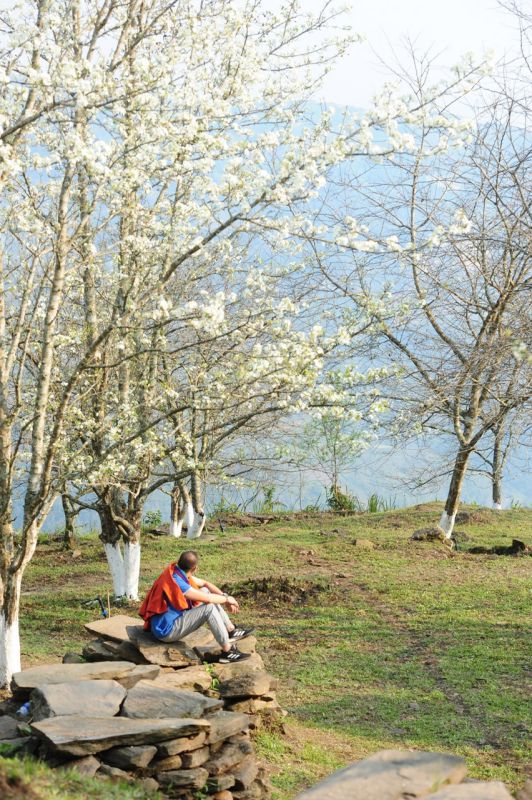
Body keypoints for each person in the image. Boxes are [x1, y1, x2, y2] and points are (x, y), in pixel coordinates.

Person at [139, 550, 253, 663]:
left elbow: (205, 584)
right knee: (209, 607)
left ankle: (230, 630)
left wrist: (224, 596)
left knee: (205, 591)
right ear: (194, 568)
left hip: (172, 620)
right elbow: (208, 600)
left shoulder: (175, 572)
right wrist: (227, 600)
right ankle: (228, 652)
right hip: (166, 631)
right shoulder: (177, 583)